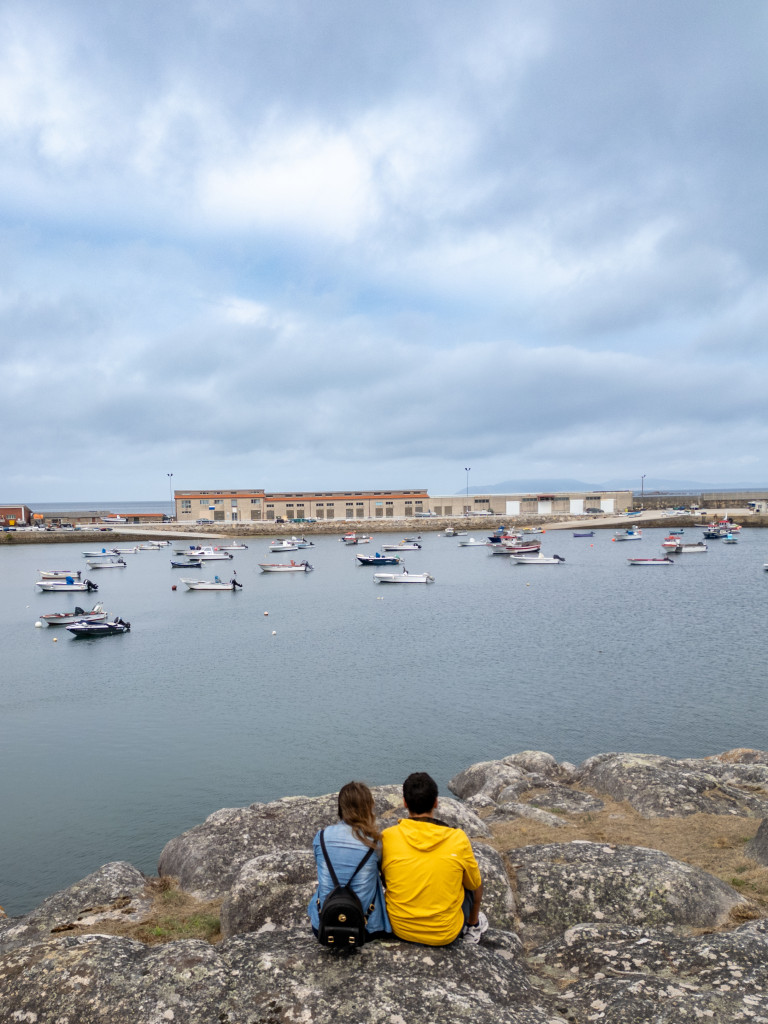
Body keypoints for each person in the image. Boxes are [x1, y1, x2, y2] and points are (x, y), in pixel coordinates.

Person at [381, 771, 487, 946]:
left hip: (400, 928)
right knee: (473, 879)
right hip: (445, 934)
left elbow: (385, 880)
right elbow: (473, 885)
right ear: (436, 802)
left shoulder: (388, 837)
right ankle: (473, 925)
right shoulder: (457, 838)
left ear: (405, 803)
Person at [308, 781, 391, 941]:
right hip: (365, 928)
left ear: (341, 807)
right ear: (368, 808)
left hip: (324, 925)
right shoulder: (374, 842)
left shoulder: (322, 837)